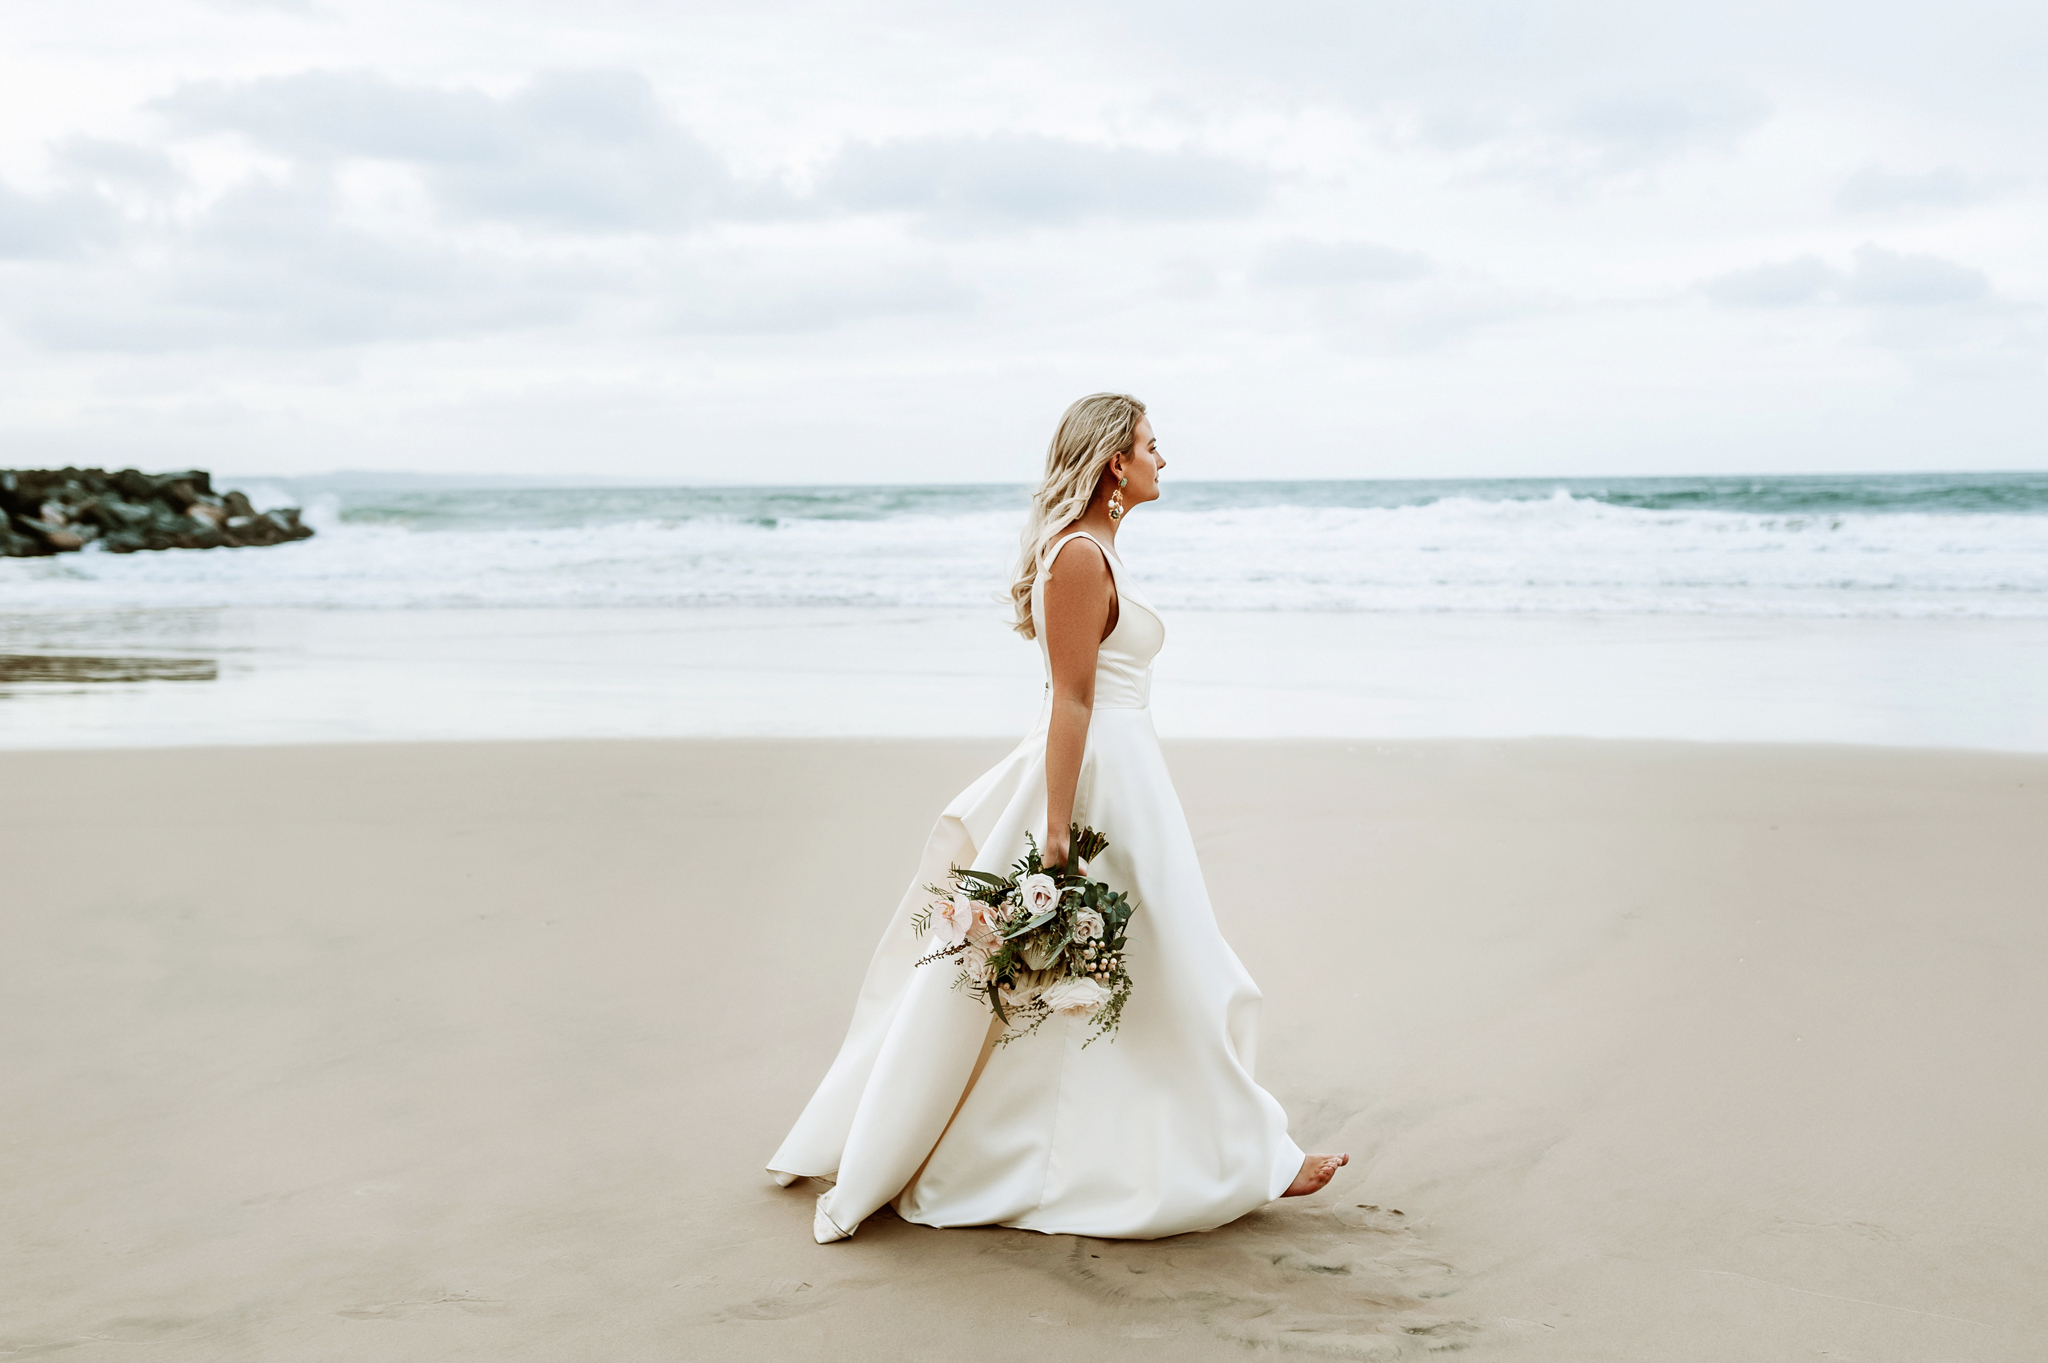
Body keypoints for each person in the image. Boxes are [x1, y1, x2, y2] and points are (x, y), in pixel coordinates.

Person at [768, 392, 1347, 1243]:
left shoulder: (1099, 551)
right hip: (1100, 788)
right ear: (1116, 460)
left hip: (1134, 780)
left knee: (1154, 974)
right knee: (1170, 970)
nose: (1162, 457)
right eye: (1153, 443)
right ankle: (1248, 1156)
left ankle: (1224, 1151)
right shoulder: (1078, 557)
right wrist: (1056, 830)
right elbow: (1070, 701)